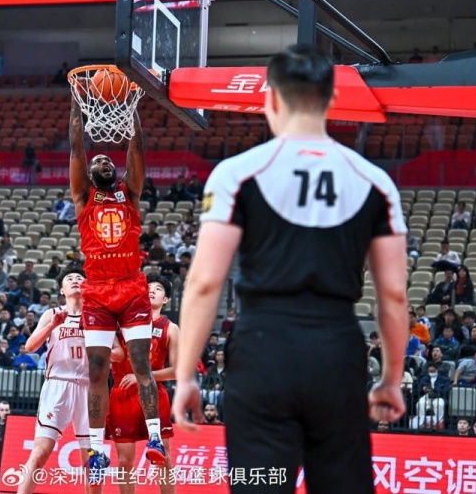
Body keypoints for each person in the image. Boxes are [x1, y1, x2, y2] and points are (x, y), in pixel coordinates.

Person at [171, 44, 408, 494]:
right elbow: (394, 296)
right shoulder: (376, 182)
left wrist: (186, 376)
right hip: (338, 353)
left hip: (263, 353)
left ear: (272, 98)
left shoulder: (236, 173)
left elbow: (204, 283)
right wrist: (390, 380)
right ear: (332, 99)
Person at [69, 94, 164, 481]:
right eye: (98, 162)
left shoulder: (131, 193)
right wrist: (76, 104)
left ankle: (155, 439)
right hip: (97, 292)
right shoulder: (83, 197)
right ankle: (95, 449)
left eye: (108, 160)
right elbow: (77, 147)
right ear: (91, 175)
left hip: (131, 288)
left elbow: (136, 148)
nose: (104, 162)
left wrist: (132, 109)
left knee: (141, 363)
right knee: (97, 369)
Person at [15, 266, 91, 494]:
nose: (75, 280)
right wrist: (53, 325)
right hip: (57, 384)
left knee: (91, 460)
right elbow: (30, 346)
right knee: (40, 453)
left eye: (80, 277)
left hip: (88, 388)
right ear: (61, 289)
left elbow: (117, 353)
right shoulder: (52, 314)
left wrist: (99, 343)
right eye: (70, 278)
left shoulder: (97, 317)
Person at [106, 274, 180, 494]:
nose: (152, 290)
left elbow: (176, 371)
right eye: (148, 287)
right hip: (123, 393)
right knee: (124, 462)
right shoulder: (121, 322)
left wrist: (142, 377)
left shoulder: (170, 328)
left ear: (165, 299)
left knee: (163, 459)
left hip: (154, 393)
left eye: (158, 288)